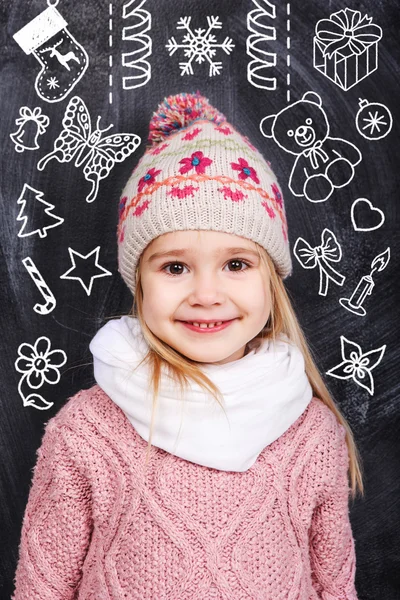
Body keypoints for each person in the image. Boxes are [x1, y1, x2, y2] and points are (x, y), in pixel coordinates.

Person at [12, 91, 364, 599]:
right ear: (139, 280)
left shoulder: (312, 434)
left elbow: (336, 587)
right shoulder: (85, 430)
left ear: (272, 279)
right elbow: (40, 589)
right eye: (175, 267)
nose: (205, 295)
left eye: (237, 265)